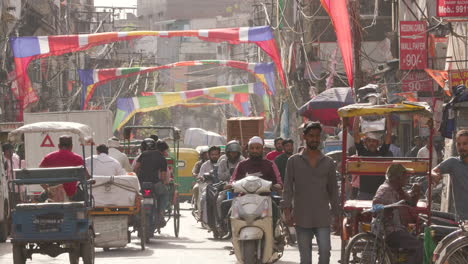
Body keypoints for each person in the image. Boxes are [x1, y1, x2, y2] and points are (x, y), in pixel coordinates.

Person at [282, 122, 339, 264]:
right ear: (304, 137)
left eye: (317, 136)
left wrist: (337, 215)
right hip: (301, 217)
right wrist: (287, 211)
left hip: (322, 217)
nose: (314, 139)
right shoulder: (293, 161)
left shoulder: (328, 162)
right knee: (305, 259)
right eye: (311, 136)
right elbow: (287, 188)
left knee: (325, 253)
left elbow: (333, 191)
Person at [373, 164, 422, 264]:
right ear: (398, 177)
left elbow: (411, 203)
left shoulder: (398, 189)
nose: (407, 178)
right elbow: (375, 207)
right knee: (418, 246)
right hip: (390, 232)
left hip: (399, 229)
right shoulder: (385, 189)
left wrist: (416, 193)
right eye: (405, 176)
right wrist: (390, 207)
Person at [353, 116, 392, 200]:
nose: (372, 143)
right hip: (364, 193)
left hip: (380, 194)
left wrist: (388, 115)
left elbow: (389, 133)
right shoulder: (362, 151)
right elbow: (355, 133)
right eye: (369, 141)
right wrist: (356, 114)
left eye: (374, 141)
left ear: (378, 143)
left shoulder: (382, 152)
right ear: (366, 143)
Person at [432, 129, 468, 220]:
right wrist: (435, 176)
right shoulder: (453, 162)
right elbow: (432, 171)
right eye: (458, 144)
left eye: (465, 144)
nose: (461, 147)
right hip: (463, 220)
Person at [133, 138, 169, 227]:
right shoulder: (162, 159)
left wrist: (136, 178)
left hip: (141, 184)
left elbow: (136, 168)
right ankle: (161, 213)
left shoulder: (144, 154)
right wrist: (164, 183)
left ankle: (135, 214)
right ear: (163, 150)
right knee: (164, 194)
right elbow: (163, 175)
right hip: (155, 184)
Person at [39, 136, 85, 201]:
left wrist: (47, 189)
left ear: (58, 146)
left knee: (41, 198)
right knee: (86, 196)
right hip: (72, 194)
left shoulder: (48, 157)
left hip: (53, 192)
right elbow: (86, 176)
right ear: (71, 146)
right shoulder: (78, 158)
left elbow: (38, 176)